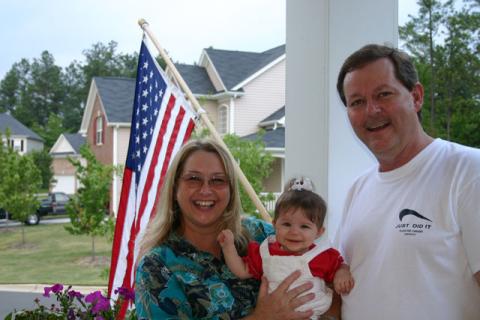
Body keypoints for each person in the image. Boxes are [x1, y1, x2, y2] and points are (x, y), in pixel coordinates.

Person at [335, 43, 480, 319]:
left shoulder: (469, 171)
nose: (371, 110)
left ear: (416, 97)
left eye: (384, 94)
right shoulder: (358, 188)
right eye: (357, 102)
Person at [134, 138, 317, 320]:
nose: (205, 190)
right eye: (194, 179)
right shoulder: (157, 267)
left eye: (218, 180)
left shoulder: (262, 236)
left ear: (231, 190)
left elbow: (323, 277)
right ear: (175, 188)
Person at [218, 177, 354, 320]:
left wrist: (342, 273)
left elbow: (339, 266)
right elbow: (242, 271)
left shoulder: (320, 255)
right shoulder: (266, 253)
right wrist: (228, 247)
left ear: (319, 232)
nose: (294, 232)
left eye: (304, 226)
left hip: (313, 315)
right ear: (275, 224)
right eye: (287, 224)